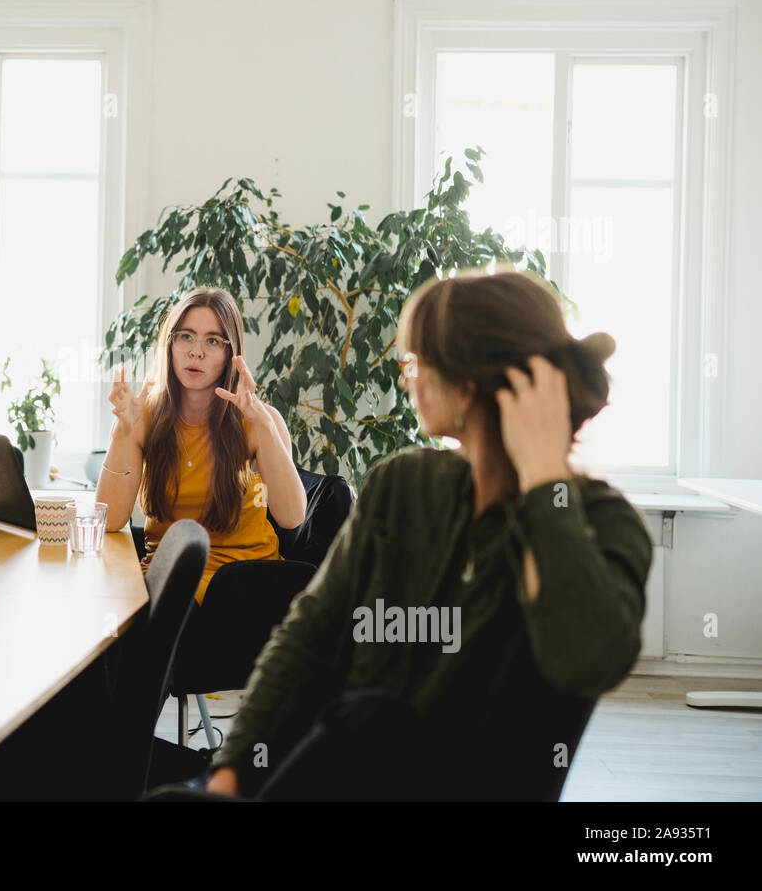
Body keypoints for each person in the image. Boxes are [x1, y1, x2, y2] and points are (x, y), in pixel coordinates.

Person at [202, 268, 653, 800]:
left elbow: (586, 658)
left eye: (417, 361)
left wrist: (543, 478)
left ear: (468, 382)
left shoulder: (603, 522)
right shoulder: (404, 484)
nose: (406, 377)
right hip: (338, 772)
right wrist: (228, 777)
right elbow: (310, 634)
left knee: (373, 718)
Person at [96, 287, 307, 605]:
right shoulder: (144, 416)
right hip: (166, 584)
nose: (196, 352)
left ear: (230, 355)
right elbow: (109, 521)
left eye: (212, 341)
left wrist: (263, 426)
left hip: (243, 589)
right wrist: (122, 433)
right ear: (170, 344)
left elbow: (292, 517)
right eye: (186, 336)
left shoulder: (260, 421)